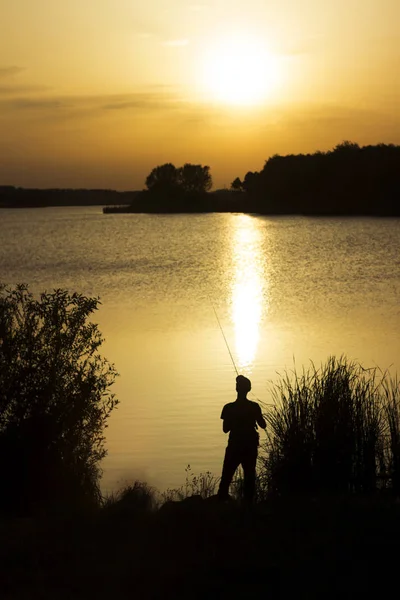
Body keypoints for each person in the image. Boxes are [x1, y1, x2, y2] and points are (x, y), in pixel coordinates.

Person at [217, 375, 266, 503]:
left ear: (236, 389)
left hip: (234, 446)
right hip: (250, 447)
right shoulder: (254, 407)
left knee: (226, 477)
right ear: (248, 389)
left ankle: (221, 505)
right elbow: (263, 425)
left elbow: (225, 429)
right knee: (249, 477)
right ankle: (248, 506)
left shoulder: (228, 408)